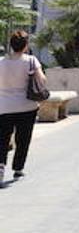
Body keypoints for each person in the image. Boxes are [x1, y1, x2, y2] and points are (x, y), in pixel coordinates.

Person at [0, 30, 46, 183]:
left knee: (2, 139)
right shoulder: (31, 61)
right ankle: (18, 169)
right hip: (27, 106)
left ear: (11, 45)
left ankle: (0, 166)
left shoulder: (1, 62)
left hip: (4, 106)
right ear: (26, 45)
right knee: (23, 139)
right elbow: (42, 81)